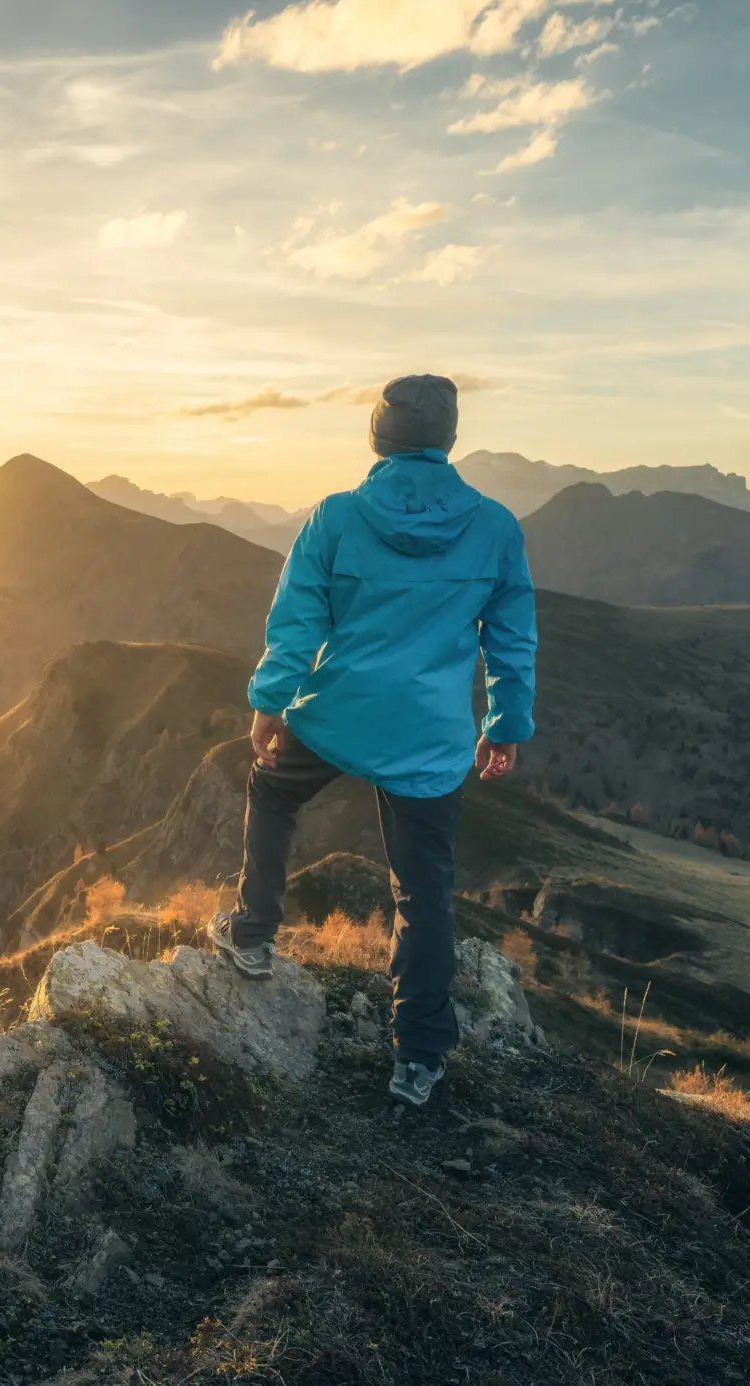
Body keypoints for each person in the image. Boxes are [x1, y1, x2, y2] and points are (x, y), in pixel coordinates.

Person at [205, 374, 537, 1107]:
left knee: (270, 788)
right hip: (431, 738)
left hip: (335, 714)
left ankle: (253, 934)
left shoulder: (335, 518)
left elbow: (297, 621)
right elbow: (511, 643)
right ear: (450, 439)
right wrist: (506, 726)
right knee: (423, 891)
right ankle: (417, 1058)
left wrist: (270, 700)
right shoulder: (495, 527)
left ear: (377, 439)